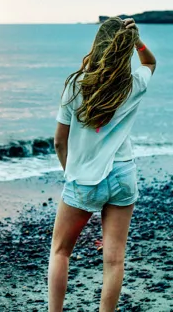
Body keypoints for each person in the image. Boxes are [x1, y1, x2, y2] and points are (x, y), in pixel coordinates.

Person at [48, 17, 156, 311]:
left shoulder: (76, 85)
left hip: (83, 180)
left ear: (97, 46)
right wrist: (137, 41)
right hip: (123, 176)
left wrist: (72, 176)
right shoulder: (133, 85)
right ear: (124, 50)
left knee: (61, 251)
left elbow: (59, 142)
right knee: (114, 259)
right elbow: (150, 63)